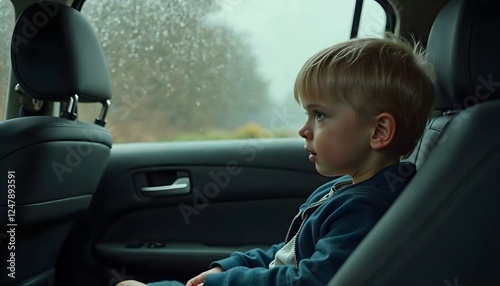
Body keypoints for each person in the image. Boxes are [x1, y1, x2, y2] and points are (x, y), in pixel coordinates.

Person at [117, 34, 435, 286]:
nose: (303, 129)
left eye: (320, 115)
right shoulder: (343, 190)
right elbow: (288, 254)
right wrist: (228, 268)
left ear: (379, 131)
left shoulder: (365, 210)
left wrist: (227, 282)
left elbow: (310, 281)